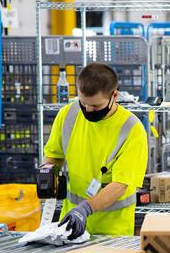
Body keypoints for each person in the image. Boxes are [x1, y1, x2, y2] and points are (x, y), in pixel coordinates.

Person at [42, 63, 148, 239]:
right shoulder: (67, 115)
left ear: (114, 95)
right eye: (83, 103)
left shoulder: (132, 130)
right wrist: (47, 172)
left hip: (113, 231)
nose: (88, 110)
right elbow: (54, 155)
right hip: (70, 227)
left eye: (96, 106)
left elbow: (119, 186)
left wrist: (85, 209)